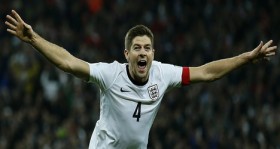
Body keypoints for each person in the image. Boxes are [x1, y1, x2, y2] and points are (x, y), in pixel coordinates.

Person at [5, 10, 277, 149]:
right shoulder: (110, 75)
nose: (143, 52)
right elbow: (68, 62)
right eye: (137, 48)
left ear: (153, 52)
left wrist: (246, 58)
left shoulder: (162, 73)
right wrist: (33, 39)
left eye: (147, 48)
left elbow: (206, 72)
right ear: (127, 54)